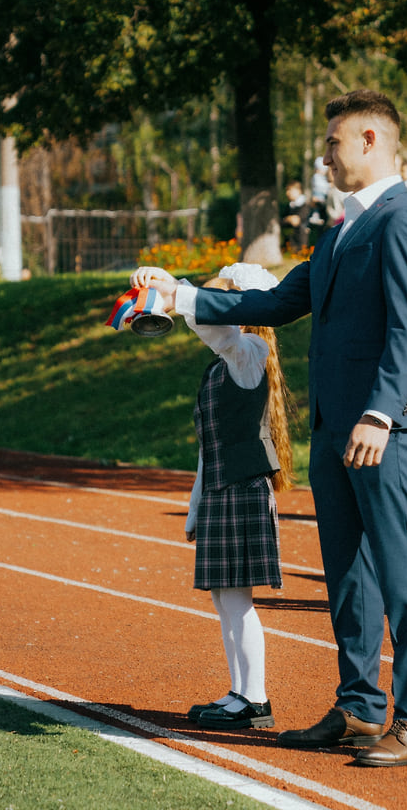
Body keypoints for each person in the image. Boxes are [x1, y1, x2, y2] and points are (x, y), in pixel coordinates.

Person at [141, 88, 407, 764]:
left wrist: (380, 413)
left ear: (371, 141)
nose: (325, 155)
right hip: (335, 430)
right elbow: (276, 300)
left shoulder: (405, 222)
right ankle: (361, 707)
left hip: (381, 429)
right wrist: (183, 295)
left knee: (401, 573)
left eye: (333, 142)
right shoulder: (341, 230)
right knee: (347, 575)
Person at [129, 262, 294, 731]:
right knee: (225, 600)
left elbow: (214, 329)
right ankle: (239, 691)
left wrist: (174, 288)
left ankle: (255, 699)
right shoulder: (229, 362)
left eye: (224, 296)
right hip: (223, 491)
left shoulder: (250, 351)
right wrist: (196, 504)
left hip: (243, 489)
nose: (213, 301)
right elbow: (209, 448)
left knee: (237, 600)